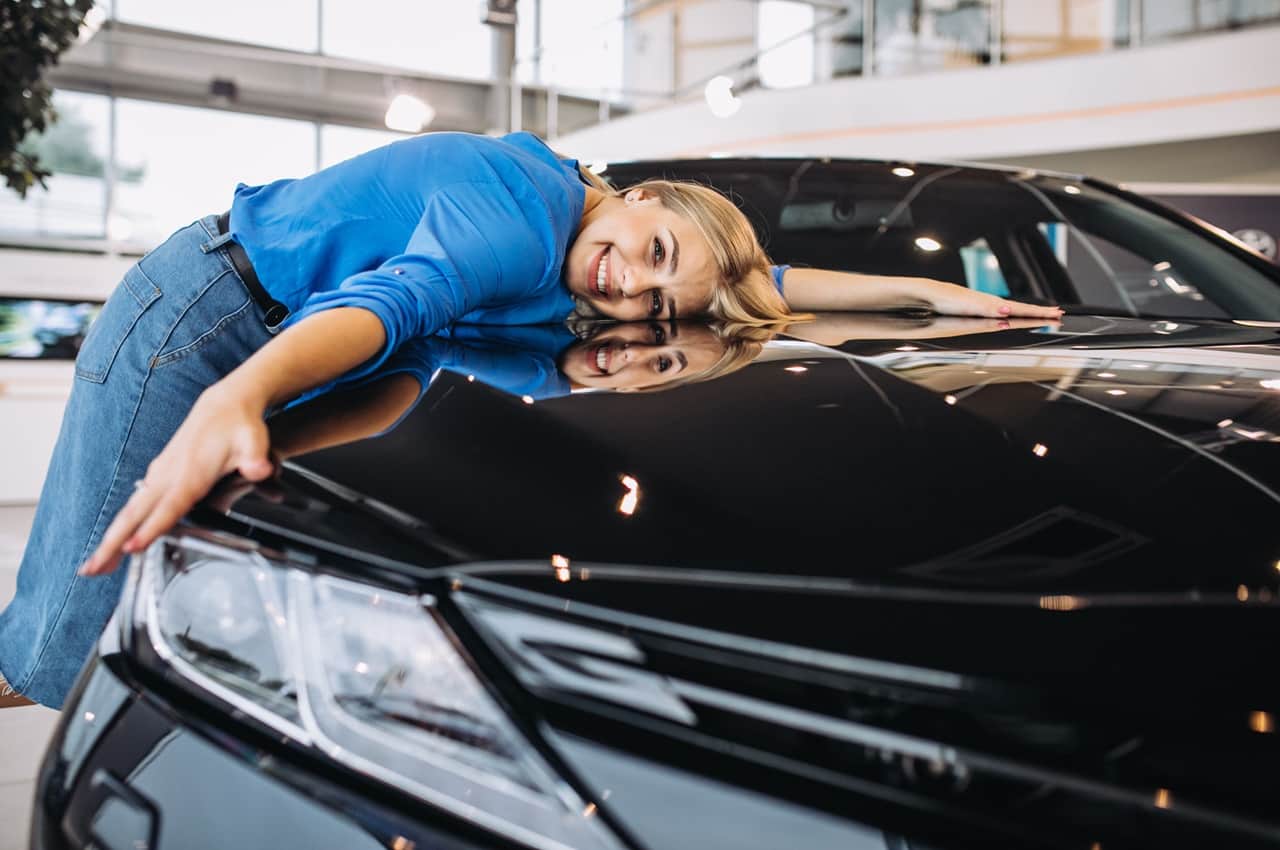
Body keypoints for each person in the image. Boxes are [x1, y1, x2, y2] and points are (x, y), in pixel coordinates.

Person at [0, 130, 1059, 709]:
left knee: (106, 621)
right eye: (651, 253)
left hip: (285, 346)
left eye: (656, 303)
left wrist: (922, 297)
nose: (631, 289)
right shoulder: (519, 210)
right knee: (63, 640)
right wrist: (237, 396)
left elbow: (761, 277)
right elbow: (389, 305)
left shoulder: (588, 252)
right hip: (203, 322)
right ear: (644, 195)